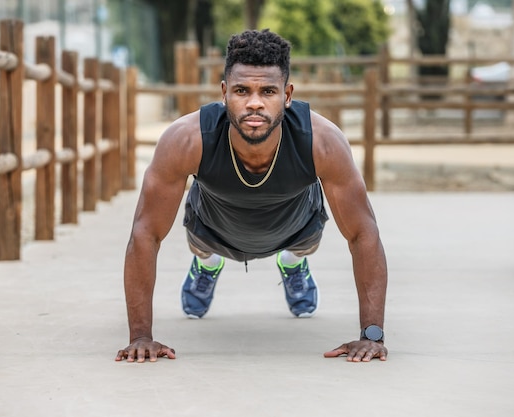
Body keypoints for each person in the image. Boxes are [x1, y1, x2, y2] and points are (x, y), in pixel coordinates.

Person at [115, 29, 388, 364]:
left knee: (303, 245)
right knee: (201, 244)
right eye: (242, 90)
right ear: (224, 93)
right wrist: (141, 336)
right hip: (213, 226)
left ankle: (293, 263)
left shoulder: (322, 142)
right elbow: (146, 232)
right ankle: (206, 264)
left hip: (295, 227)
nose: (255, 102)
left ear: (287, 95)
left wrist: (371, 335)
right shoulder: (185, 140)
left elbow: (363, 233)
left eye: (268, 91)